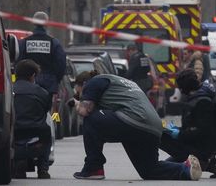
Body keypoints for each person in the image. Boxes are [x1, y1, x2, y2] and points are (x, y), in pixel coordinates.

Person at [72, 71, 202, 181]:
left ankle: (94, 168)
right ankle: (185, 169)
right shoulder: (122, 83)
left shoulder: (95, 81)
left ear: (84, 84)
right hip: (152, 126)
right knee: (149, 170)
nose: (81, 95)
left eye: (79, 92)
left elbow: (85, 110)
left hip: (133, 120)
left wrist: (76, 103)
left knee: (90, 119)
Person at [160, 69, 216, 179]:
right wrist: (175, 129)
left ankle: (202, 161)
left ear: (186, 89)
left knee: (162, 138)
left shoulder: (203, 102)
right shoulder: (196, 98)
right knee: (168, 165)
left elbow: (202, 131)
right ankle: (206, 163)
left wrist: (179, 134)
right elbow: (192, 127)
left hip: (202, 148)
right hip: (198, 144)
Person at [13, 59, 52, 179]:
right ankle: (42, 169)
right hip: (36, 132)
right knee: (47, 131)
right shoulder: (42, 92)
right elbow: (46, 111)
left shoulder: (9, 90)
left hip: (13, 132)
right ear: (33, 75)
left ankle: (17, 163)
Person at [18, 11, 66, 97]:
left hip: (28, 83)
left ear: (33, 22)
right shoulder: (54, 43)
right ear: (47, 24)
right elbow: (61, 64)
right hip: (49, 84)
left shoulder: (24, 42)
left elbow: (18, 61)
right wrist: (55, 80)